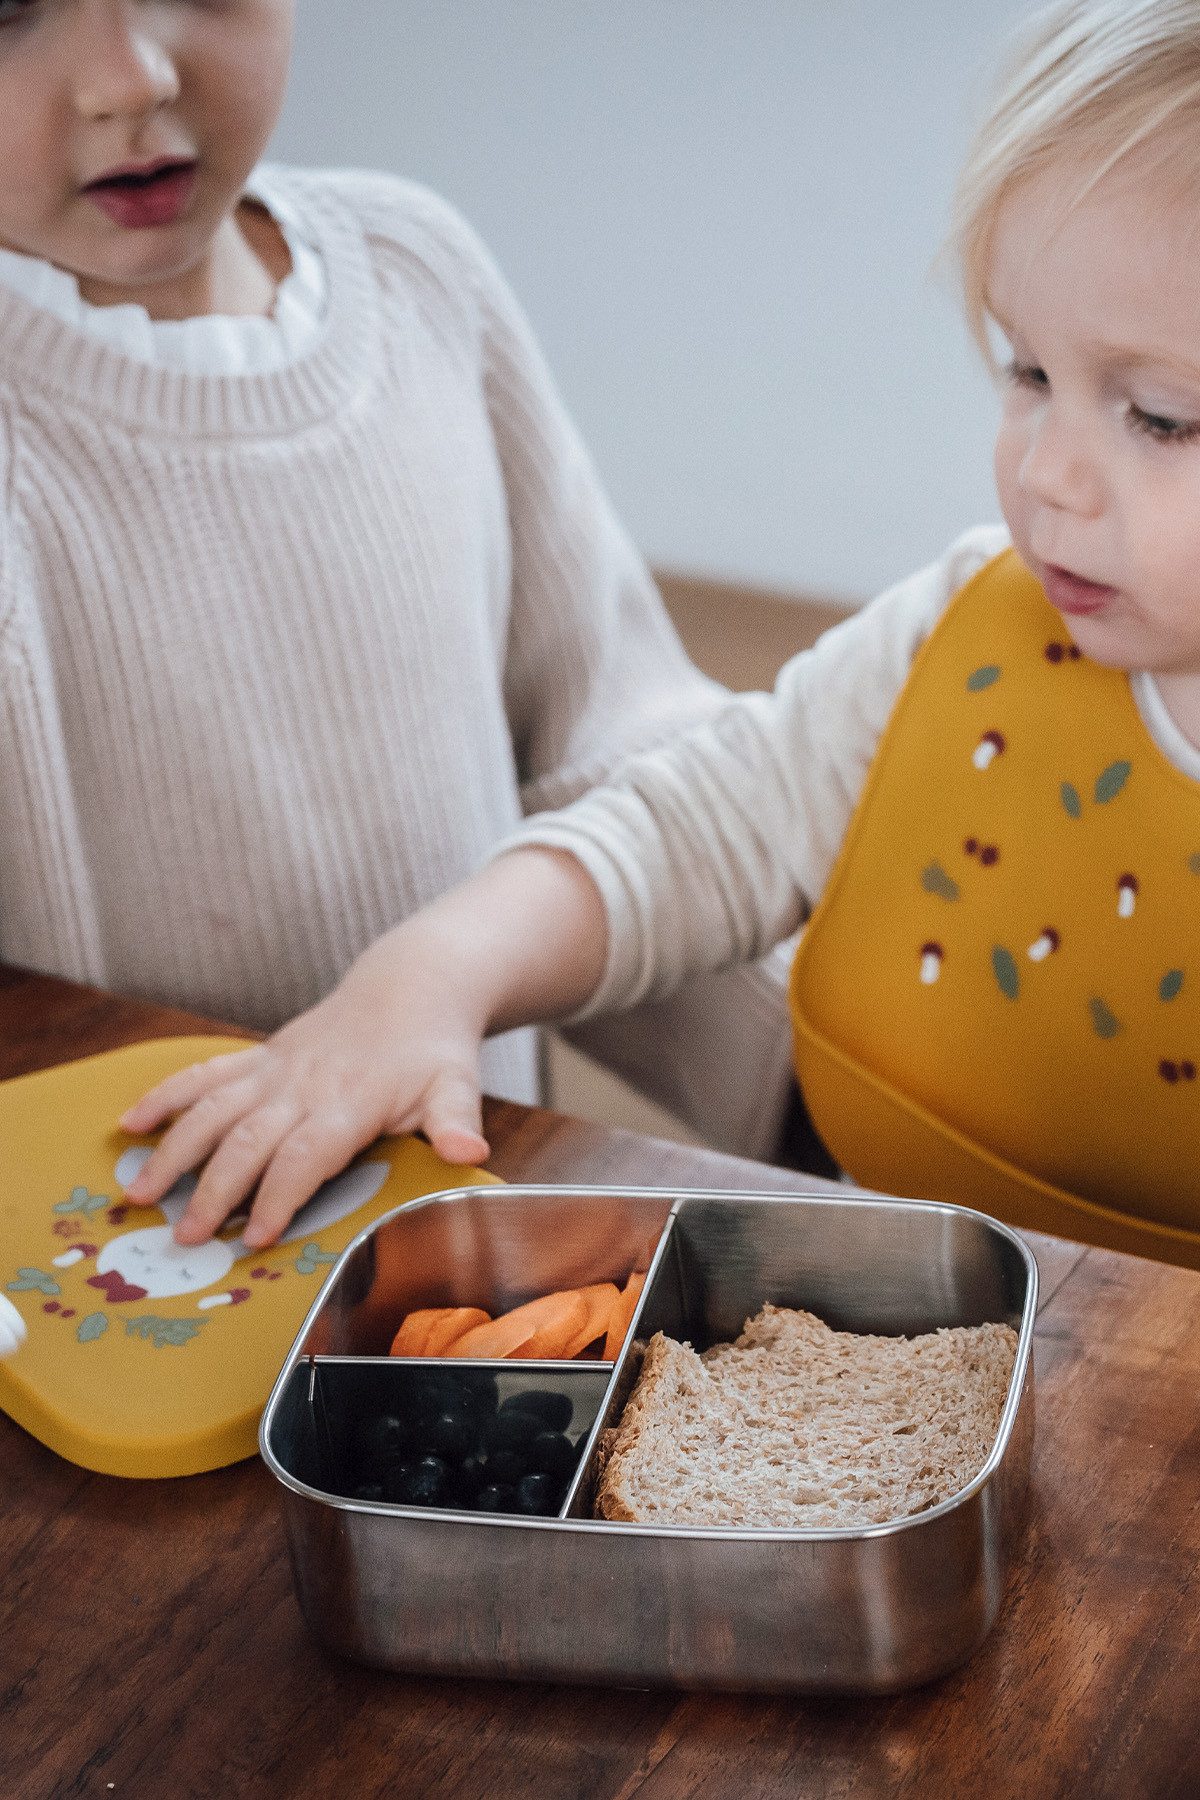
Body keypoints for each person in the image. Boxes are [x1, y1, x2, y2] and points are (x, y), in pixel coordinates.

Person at [129, 0, 1200, 1271]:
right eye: (1027, 373)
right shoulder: (953, 634)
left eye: (1158, 416)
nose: (1045, 471)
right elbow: (696, 826)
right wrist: (429, 973)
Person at [0, 1, 798, 1232]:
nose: (130, 75)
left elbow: (614, 766)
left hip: (466, 1252)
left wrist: (849, 1085)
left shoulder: (417, 271)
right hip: (112, 1297)